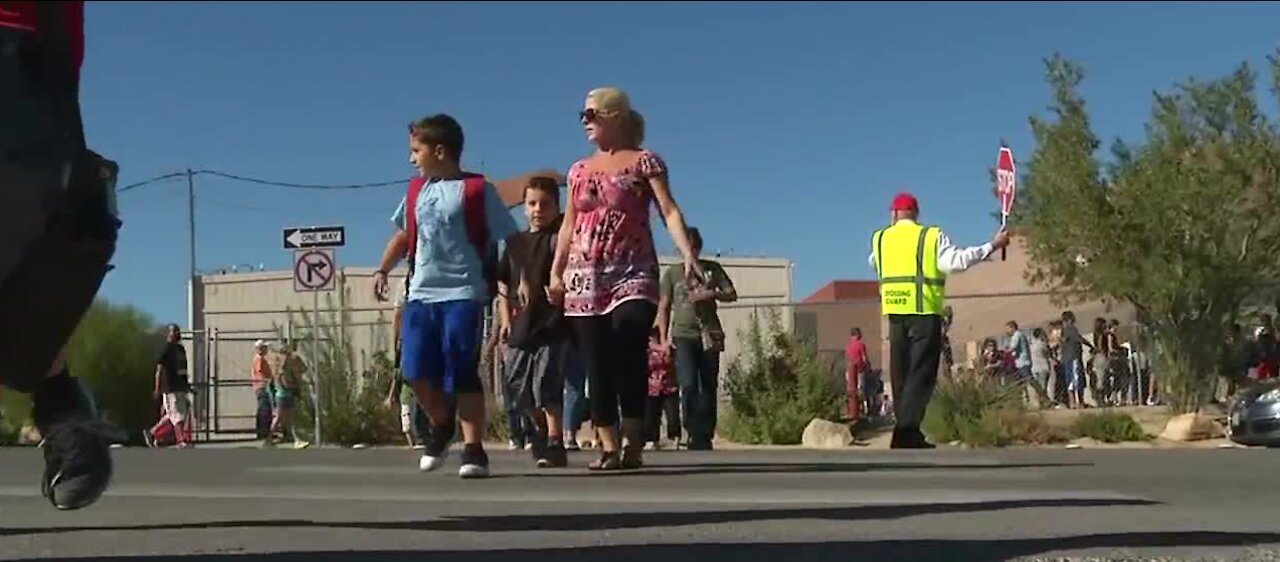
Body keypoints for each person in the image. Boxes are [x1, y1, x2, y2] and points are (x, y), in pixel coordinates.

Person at [1, 1, 126, 511]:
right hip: (36, 62)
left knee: (47, 236)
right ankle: (62, 407)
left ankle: (62, 406)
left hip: (25, 51)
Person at [548, 87, 701, 471]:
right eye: (582, 115)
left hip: (632, 270)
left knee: (629, 345)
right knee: (596, 361)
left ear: (616, 116)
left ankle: (634, 441)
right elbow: (568, 224)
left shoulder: (645, 162)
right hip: (585, 277)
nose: (585, 121)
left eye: (592, 113)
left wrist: (686, 253)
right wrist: (556, 270)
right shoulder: (579, 170)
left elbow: (668, 211)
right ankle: (609, 446)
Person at [372, 114, 517, 479]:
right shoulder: (416, 191)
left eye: (415, 151)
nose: (411, 159)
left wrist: (525, 281)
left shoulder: (477, 190)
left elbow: (511, 238)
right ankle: (442, 423)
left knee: (461, 369)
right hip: (421, 294)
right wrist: (382, 269)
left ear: (440, 150)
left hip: (464, 292)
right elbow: (405, 235)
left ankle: (473, 449)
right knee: (415, 371)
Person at [868, 192, 1009, 449]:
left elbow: (874, 262)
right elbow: (956, 262)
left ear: (894, 214)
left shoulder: (880, 239)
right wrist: (992, 246)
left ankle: (907, 431)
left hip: (895, 314)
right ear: (916, 214)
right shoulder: (930, 236)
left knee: (900, 375)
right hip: (924, 313)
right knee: (920, 374)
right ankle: (907, 432)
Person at [496, 176, 570, 468]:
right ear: (524, 207)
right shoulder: (516, 244)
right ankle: (538, 428)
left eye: (545, 203)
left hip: (552, 323)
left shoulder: (559, 240)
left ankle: (555, 441)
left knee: (546, 384)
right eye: (532, 203)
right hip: (521, 324)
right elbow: (503, 284)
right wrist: (504, 321)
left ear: (556, 206)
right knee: (517, 386)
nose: (539, 209)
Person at [656, 226, 737, 451]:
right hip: (683, 334)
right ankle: (690, 430)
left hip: (709, 333)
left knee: (708, 385)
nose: (689, 250)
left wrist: (713, 293)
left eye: (693, 246)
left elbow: (732, 293)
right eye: (685, 246)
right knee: (688, 383)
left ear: (698, 247)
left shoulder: (712, 269)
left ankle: (705, 434)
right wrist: (663, 338)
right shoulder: (672, 274)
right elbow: (664, 306)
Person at [144, 324, 192, 448]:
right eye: (173, 331)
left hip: (180, 387)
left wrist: (187, 386)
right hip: (170, 387)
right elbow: (159, 369)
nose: (175, 333)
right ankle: (181, 440)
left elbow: (183, 370)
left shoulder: (180, 349)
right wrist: (157, 387)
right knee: (177, 415)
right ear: (168, 334)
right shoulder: (166, 349)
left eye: (177, 331)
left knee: (175, 414)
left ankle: (151, 433)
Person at [644, 327, 680, 449]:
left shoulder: (669, 348)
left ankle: (674, 437)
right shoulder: (646, 348)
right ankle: (651, 439)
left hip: (669, 386)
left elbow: (673, 363)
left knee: (672, 414)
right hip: (652, 387)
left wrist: (667, 353)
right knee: (651, 415)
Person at [270, 343, 309, 449]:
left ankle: (295, 439)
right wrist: (294, 387)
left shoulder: (283, 364)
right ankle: (269, 439)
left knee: (287, 417)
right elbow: (285, 381)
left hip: (284, 393)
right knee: (281, 417)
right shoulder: (283, 366)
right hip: (284, 393)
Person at [843, 328, 870, 420]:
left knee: (851, 391)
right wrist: (867, 367)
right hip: (859, 370)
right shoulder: (861, 345)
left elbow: (846, 359)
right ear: (858, 334)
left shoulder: (848, 347)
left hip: (849, 370)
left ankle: (851, 411)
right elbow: (864, 358)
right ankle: (861, 410)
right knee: (861, 389)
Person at [251, 340, 275, 442]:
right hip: (262, 386)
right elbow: (261, 371)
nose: (266, 349)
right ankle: (263, 432)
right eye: (264, 347)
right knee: (264, 410)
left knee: (264, 410)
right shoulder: (259, 359)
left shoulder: (260, 359)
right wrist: (268, 379)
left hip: (261, 386)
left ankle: (263, 432)